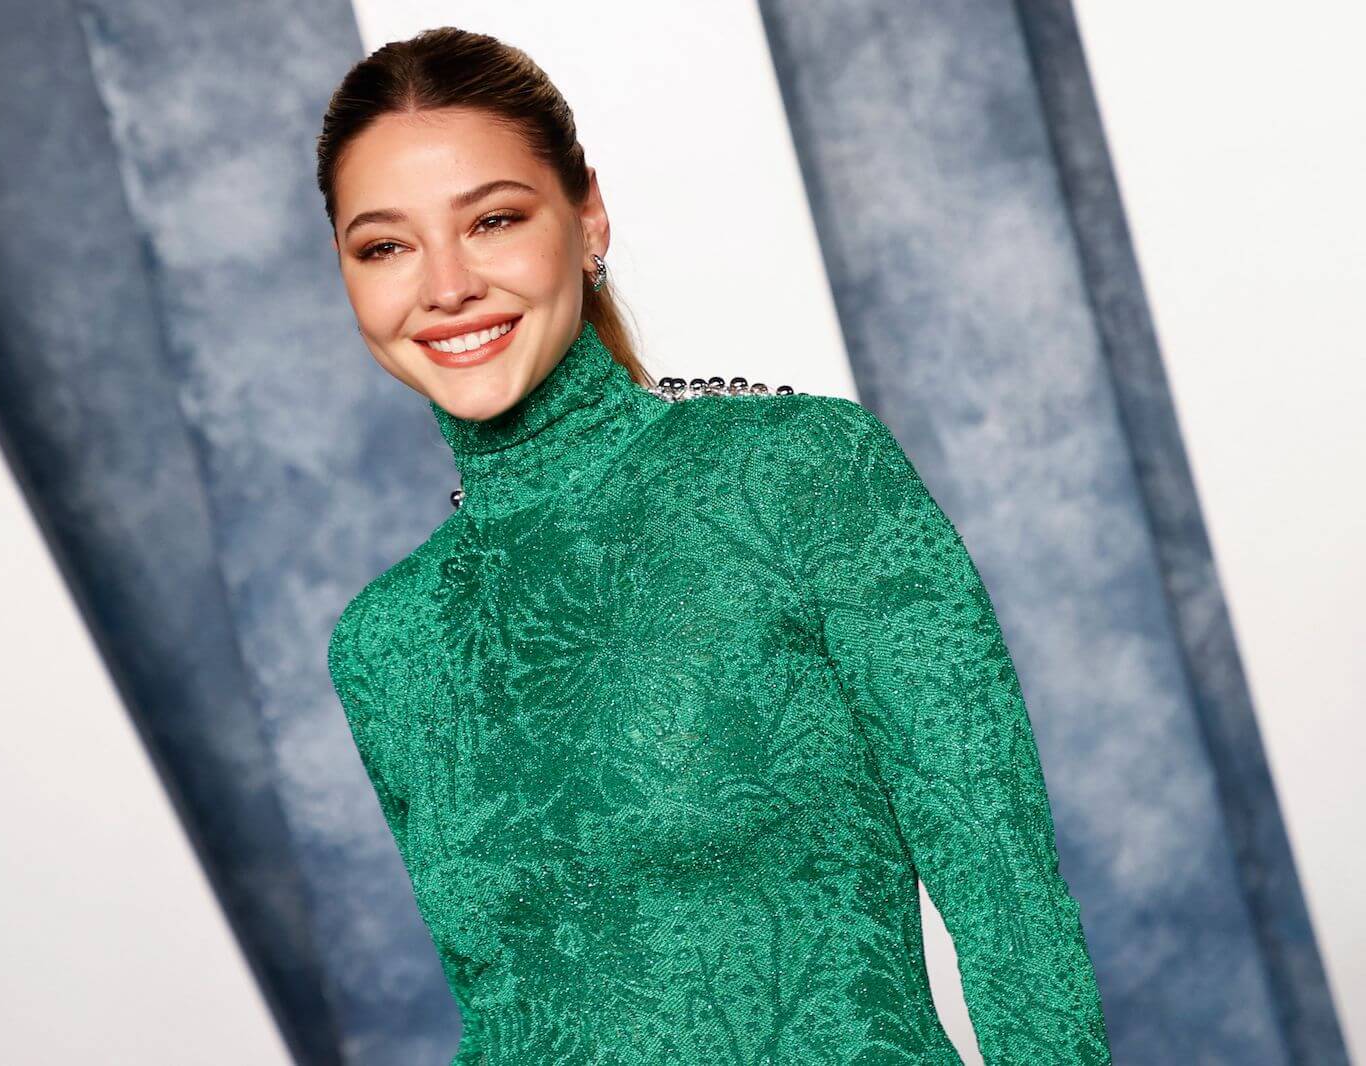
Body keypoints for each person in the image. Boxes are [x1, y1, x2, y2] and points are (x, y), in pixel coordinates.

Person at [319, 25, 1112, 1065]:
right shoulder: (386, 640)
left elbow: (1006, 894)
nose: (445, 285)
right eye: (385, 245)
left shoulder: (800, 475)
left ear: (586, 214)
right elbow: (504, 1020)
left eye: (494, 220)